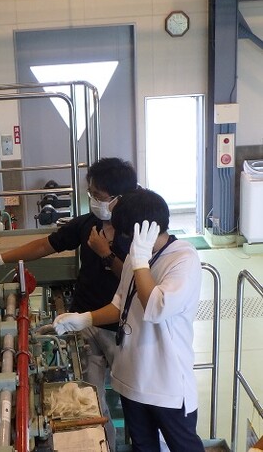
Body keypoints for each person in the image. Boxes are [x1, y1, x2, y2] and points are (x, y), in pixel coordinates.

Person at [0, 157, 138, 450]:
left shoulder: (135, 233)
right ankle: (104, 445)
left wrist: (105, 253)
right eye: (91, 193)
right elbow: (47, 244)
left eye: (98, 195)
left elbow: (134, 281)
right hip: (85, 322)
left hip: (123, 328)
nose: (93, 200)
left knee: (134, 399)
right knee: (91, 400)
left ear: (119, 197)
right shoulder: (89, 224)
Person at [53, 189, 204, 452]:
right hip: (132, 378)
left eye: (124, 233)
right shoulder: (138, 257)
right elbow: (120, 304)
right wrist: (85, 319)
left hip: (165, 383)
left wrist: (141, 262)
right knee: (143, 446)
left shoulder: (183, 259)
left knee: (184, 446)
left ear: (142, 230)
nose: (117, 238)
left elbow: (156, 307)